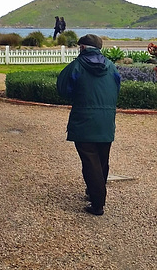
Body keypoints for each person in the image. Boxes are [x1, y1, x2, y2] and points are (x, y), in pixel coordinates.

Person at [57, 34, 121, 216]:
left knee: (90, 161)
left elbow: (63, 89)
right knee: (102, 159)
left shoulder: (76, 66)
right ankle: (94, 191)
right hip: (107, 120)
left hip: (83, 119)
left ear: (83, 48)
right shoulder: (111, 66)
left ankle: (97, 203)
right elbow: (117, 87)